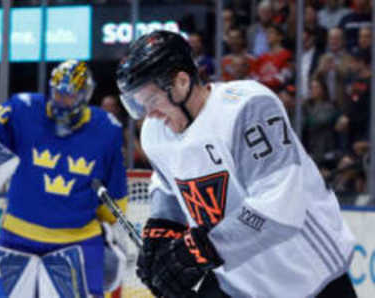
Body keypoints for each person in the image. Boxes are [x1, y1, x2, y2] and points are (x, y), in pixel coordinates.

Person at [116, 30, 356, 298]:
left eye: (151, 101)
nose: (149, 115)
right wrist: (162, 230)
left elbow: (280, 209)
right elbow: (168, 185)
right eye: (138, 105)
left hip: (309, 279)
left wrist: (195, 252)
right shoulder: (155, 131)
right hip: (240, 285)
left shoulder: (247, 109)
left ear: (181, 82)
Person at [0, 60, 127, 297]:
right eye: (58, 93)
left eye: (70, 95)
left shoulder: (107, 129)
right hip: (16, 237)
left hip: (78, 241)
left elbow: (116, 193)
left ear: (85, 95)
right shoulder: (23, 108)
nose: (62, 100)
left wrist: (109, 221)